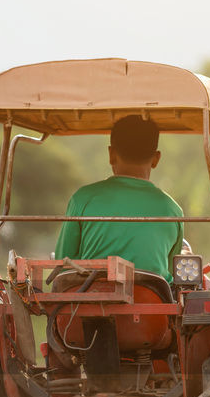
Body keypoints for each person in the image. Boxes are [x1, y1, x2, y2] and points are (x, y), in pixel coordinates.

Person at [54, 115, 184, 281]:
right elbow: (171, 272)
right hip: (153, 299)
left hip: (89, 298)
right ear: (156, 159)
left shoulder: (83, 199)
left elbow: (64, 263)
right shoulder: (173, 209)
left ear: (111, 154)